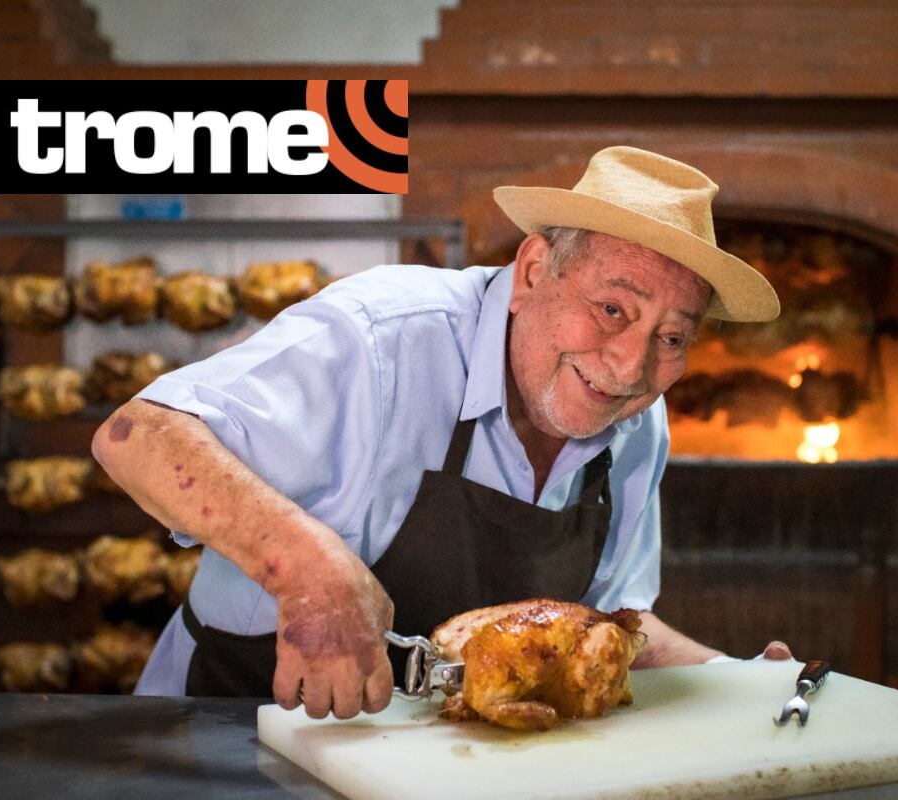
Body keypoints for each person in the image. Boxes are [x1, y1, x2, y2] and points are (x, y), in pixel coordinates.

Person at [93, 145, 791, 719]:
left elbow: (607, 619)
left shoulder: (634, 420)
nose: (631, 367)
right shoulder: (381, 339)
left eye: (671, 338)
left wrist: (734, 683)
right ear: (533, 272)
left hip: (442, 767)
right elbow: (137, 436)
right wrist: (308, 569)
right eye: (612, 309)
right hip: (228, 732)